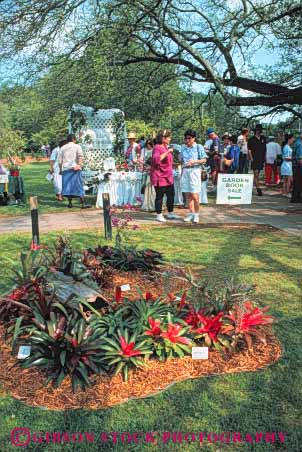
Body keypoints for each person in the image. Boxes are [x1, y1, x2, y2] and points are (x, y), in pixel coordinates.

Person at [150, 129, 180, 222]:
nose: (170, 139)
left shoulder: (166, 147)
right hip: (160, 176)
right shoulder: (157, 147)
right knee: (160, 196)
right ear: (163, 138)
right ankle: (159, 215)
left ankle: (170, 213)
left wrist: (175, 164)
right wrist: (167, 152)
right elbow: (156, 160)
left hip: (168, 176)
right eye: (168, 137)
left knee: (171, 195)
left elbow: (167, 162)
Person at [180, 129, 207, 223]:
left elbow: (204, 159)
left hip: (194, 171)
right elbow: (180, 160)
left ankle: (196, 214)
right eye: (185, 138)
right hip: (185, 171)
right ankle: (191, 213)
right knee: (188, 195)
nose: (187, 140)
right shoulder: (182, 148)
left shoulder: (198, 147)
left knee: (195, 195)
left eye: (189, 138)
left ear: (193, 138)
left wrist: (195, 161)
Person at [58, 134, 91, 208]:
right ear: (73, 139)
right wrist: (79, 165)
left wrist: (60, 170)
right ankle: (83, 204)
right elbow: (81, 156)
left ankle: (70, 203)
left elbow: (59, 161)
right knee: (78, 186)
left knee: (68, 187)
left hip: (66, 169)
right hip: (75, 169)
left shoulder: (62, 148)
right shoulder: (77, 146)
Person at [248, 124, 266, 196]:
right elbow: (249, 150)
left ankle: (256, 186)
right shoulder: (251, 140)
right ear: (255, 131)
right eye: (258, 130)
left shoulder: (263, 138)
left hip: (261, 158)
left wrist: (265, 157)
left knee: (258, 173)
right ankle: (258, 189)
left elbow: (265, 149)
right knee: (255, 173)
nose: (259, 131)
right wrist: (251, 158)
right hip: (254, 158)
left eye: (260, 130)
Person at [291, 133, 302, 203]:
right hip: (298, 166)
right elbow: (300, 159)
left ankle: (296, 197)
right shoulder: (300, 144)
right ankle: (295, 198)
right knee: (298, 183)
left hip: (295, 166)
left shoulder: (297, 142)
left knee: (297, 183)